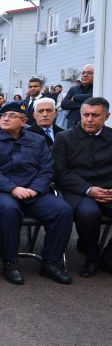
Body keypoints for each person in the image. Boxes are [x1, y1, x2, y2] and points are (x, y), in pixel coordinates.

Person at [0, 101, 72, 285]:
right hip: (2, 192)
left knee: (63, 210)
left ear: (24, 121)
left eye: (12, 116)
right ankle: (10, 263)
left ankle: (51, 263)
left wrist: (35, 189)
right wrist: (13, 188)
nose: (5, 118)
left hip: (33, 191)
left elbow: (47, 168)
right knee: (8, 210)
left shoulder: (37, 140)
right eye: (3, 115)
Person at [53, 97, 112, 277]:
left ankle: (109, 255)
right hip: (79, 191)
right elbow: (60, 172)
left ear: (106, 116)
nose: (89, 119)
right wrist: (89, 190)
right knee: (88, 213)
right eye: (86, 115)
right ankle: (92, 256)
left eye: (95, 115)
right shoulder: (64, 138)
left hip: (109, 189)